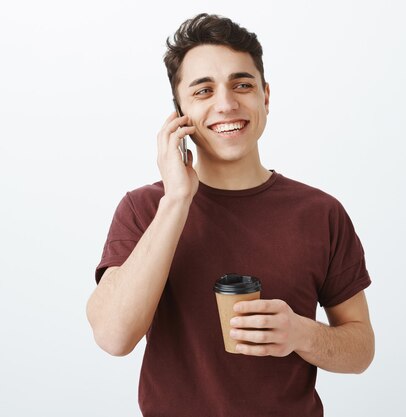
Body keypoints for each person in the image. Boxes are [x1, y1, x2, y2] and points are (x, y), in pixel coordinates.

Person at [86, 13, 374, 417]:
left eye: (242, 85)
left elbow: (361, 350)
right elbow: (113, 336)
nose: (226, 104)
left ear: (266, 97)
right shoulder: (144, 209)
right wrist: (177, 200)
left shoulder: (321, 213)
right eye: (203, 91)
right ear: (179, 113)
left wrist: (300, 334)